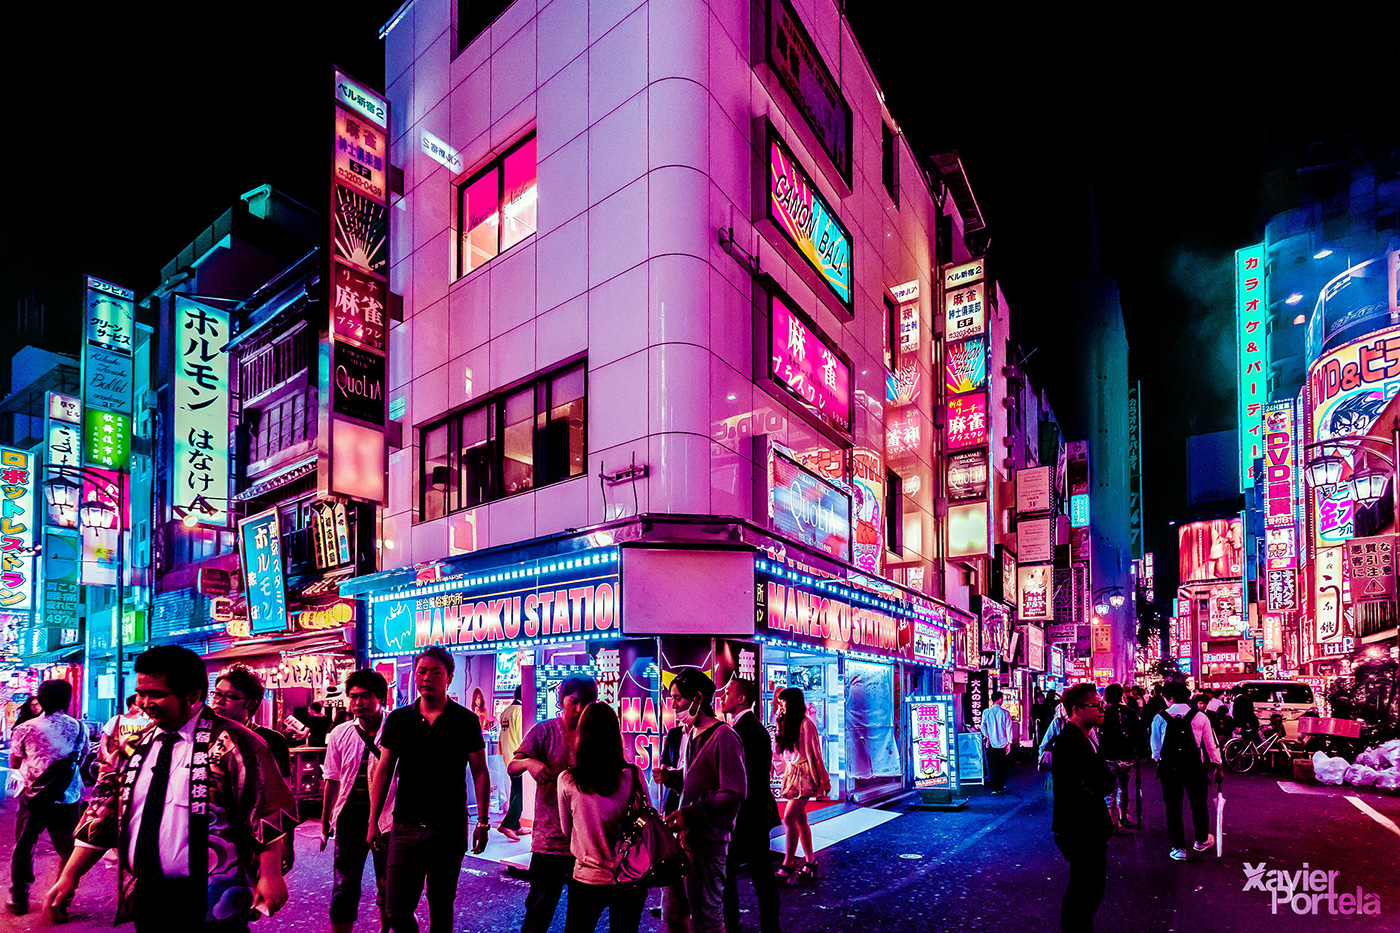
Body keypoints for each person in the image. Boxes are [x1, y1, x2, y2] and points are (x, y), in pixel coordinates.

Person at [44, 645, 296, 931]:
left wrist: (271, 873)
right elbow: (102, 812)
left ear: (193, 696)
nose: (143, 702)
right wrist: (70, 875)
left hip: (213, 893)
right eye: (141, 693)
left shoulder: (236, 743)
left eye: (156, 695)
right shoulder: (130, 747)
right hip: (148, 894)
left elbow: (266, 808)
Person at [369, 647, 491, 933]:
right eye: (421, 671)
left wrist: (483, 821)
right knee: (396, 909)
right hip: (405, 825)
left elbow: (480, 771)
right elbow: (383, 770)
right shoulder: (399, 720)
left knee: (441, 903)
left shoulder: (465, 721)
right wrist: (373, 820)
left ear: (449, 677)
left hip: (447, 827)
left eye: (436, 672)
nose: (426, 678)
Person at [510, 674, 598, 933]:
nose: (579, 709)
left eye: (586, 703)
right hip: (549, 843)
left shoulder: (594, 738)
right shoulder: (545, 731)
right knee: (538, 916)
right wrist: (529, 762)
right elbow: (512, 766)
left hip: (585, 845)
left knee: (580, 920)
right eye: (574, 701)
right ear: (562, 699)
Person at [662, 668, 746, 933]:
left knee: (707, 920)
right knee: (675, 914)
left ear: (698, 699)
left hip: (707, 847)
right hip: (681, 843)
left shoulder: (725, 736)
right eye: (672, 698)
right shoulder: (691, 735)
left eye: (678, 698)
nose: (673, 705)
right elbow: (695, 781)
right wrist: (673, 777)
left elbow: (734, 791)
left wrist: (690, 814)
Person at [557, 702, 647, 933]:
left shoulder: (567, 780)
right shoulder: (632, 775)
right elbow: (646, 819)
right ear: (615, 734)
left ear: (582, 735)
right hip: (629, 876)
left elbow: (567, 831)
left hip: (586, 878)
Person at [323, 669, 395, 933]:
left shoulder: (396, 729)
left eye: (365, 697)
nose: (357, 703)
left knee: (388, 885)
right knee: (344, 885)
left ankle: (385, 929)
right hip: (349, 819)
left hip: (388, 819)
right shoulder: (340, 733)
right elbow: (331, 778)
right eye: (352, 697)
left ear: (381, 699)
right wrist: (325, 821)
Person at [7, 679, 85, 916]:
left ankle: (19, 897)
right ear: (67, 699)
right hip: (68, 797)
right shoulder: (79, 727)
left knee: (23, 847)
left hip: (33, 797)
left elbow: (16, 762)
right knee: (69, 851)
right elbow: (79, 760)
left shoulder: (25, 728)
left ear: (40, 700)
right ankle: (59, 902)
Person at [719, 676, 781, 933]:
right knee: (761, 873)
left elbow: (744, 776)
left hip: (746, 813)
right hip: (758, 811)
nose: (723, 696)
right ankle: (769, 926)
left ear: (741, 698)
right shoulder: (753, 728)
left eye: (728, 692)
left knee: (730, 872)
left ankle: (731, 924)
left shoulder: (742, 731)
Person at [1051, 684, 1115, 933]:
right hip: (1079, 828)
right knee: (1084, 889)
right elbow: (1092, 785)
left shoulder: (1086, 738)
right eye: (1097, 705)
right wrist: (1103, 784)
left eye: (1103, 705)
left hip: (1087, 826)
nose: (1102, 710)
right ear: (1077, 710)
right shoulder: (1069, 743)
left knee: (1089, 887)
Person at [1151, 680, 1222, 861]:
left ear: (1171, 698)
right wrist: (1217, 764)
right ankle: (1201, 840)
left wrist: (1160, 760)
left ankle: (1178, 848)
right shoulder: (1200, 716)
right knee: (1199, 804)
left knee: (1173, 808)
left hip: (1169, 769)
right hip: (1194, 768)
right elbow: (1211, 743)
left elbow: (1155, 748)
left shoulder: (1160, 717)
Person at [773, 687, 829, 883]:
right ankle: (809, 861)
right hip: (793, 773)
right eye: (780, 703)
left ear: (793, 702)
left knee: (789, 818)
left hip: (805, 775)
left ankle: (788, 863)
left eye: (784, 702)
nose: (781, 706)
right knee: (800, 820)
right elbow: (782, 752)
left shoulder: (806, 724)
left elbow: (815, 753)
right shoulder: (788, 723)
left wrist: (822, 781)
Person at [210, 665, 292, 778]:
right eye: (217, 694)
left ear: (251, 704)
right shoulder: (203, 735)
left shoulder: (271, 741)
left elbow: (282, 790)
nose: (219, 701)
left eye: (230, 696)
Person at [1097, 684, 1140, 829]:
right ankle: (1123, 817)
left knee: (1110, 789)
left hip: (1107, 755)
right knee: (1124, 786)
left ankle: (1112, 820)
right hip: (1126, 756)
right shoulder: (1130, 713)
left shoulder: (1102, 712)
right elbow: (1137, 735)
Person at [498, 686, 528, 841]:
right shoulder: (520, 712)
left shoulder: (506, 711)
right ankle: (508, 824)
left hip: (508, 756)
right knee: (520, 792)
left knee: (516, 790)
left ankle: (515, 825)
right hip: (518, 757)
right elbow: (524, 736)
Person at [100, 694, 150, 763]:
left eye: (141, 705)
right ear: (130, 705)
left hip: (137, 758)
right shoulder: (116, 719)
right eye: (136, 704)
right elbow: (104, 739)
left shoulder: (146, 723)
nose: (139, 707)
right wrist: (106, 754)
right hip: (117, 757)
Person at [980, 692, 1013, 795]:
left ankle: (994, 788)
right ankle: (1000, 786)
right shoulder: (1005, 713)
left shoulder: (986, 712)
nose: (1002, 700)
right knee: (1002, 765)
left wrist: (987, 737)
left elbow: (982, 726)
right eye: (1002, 698)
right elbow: (1009, 728)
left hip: (991, 743)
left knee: (992, 766)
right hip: (1003, 743)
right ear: (999, 699)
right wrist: (1009, 743)